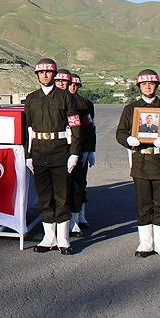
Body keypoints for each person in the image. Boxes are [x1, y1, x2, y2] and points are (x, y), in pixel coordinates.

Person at [115, 69, 160, 258]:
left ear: (156, 86)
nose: (148, 86)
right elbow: (120, 132)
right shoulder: (130, 110)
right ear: (139, 86)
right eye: (144, 84)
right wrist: (128, 140)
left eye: (151, 83)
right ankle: (145, 243)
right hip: (140, 161)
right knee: (143, 204)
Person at [24, 58, 82, 255]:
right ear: (37, 75)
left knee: (62, 195)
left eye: (49, 72)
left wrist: (74, 153)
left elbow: (75, 126)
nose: (45, 75)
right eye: (41, 73)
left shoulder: (66, 97)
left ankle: (63, 238)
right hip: (39, 151)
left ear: (54, 74)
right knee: (44, 196)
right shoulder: (31, 99)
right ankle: (49, 237)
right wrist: (28, 154)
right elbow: (28, 129)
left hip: (60, 151)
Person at [68, 73, 95, 235]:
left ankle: (78, 216)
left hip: (81, 148)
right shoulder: (59, 100)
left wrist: (91, 150)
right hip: (61, 148)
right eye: (70, 84)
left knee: (79, 183)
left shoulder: (85, 104)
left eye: (76, 85)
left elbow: (91, 129)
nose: (72, 87)